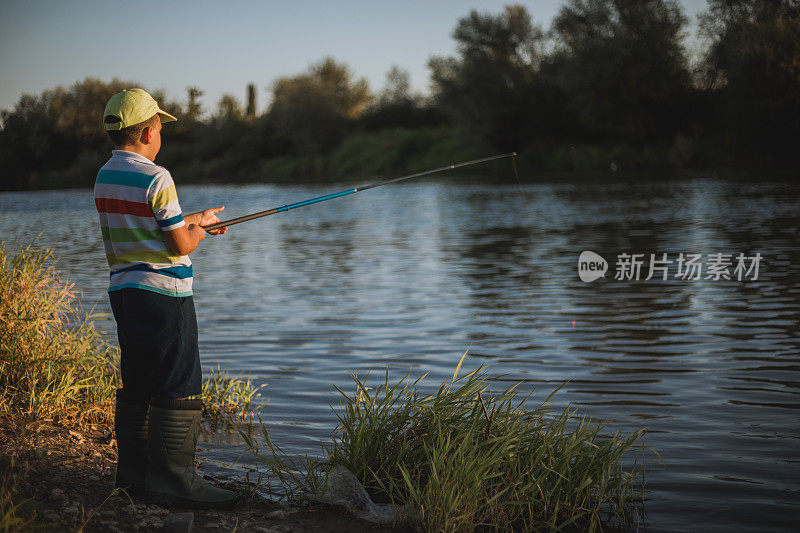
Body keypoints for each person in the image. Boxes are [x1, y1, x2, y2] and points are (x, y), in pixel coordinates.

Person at [94, 88, 236, 509]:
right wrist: (197, 235)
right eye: (159, 126)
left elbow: (149, 225)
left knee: (137, 381)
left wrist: (197, 219)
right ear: (149, 132)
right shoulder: (159, 177)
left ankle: (133, 477)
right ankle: (174, 483)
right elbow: (179, 245)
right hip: (164, 293)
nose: (161, 133)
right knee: (178, 381)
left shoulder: (106, 175)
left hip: (126, 293)